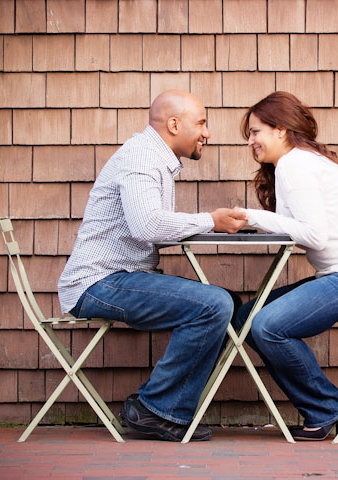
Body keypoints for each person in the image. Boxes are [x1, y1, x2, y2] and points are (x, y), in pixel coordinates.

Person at [58, 90, 247, 442]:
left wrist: (210, 223)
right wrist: (210, 221)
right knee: (214, 304)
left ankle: (167, 408)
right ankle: (155, 409)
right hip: (98, 282)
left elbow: (150, 226)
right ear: (174, 125)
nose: (207, 133)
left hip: (121, 278)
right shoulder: (143, 158)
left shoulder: (153, 158)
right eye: (202, 123)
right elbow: (147, 226)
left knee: (229, 303)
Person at [233, 91, 338, 441]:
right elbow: (294, 229)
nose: (251, 141)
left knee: (265, 325)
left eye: (255, 132)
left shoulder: (296, 164)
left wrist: (251, 216)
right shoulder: (295, 164)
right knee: (246, 319)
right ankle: (322, 407)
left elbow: (314, 235)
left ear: (280, 130)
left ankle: (325, 408)